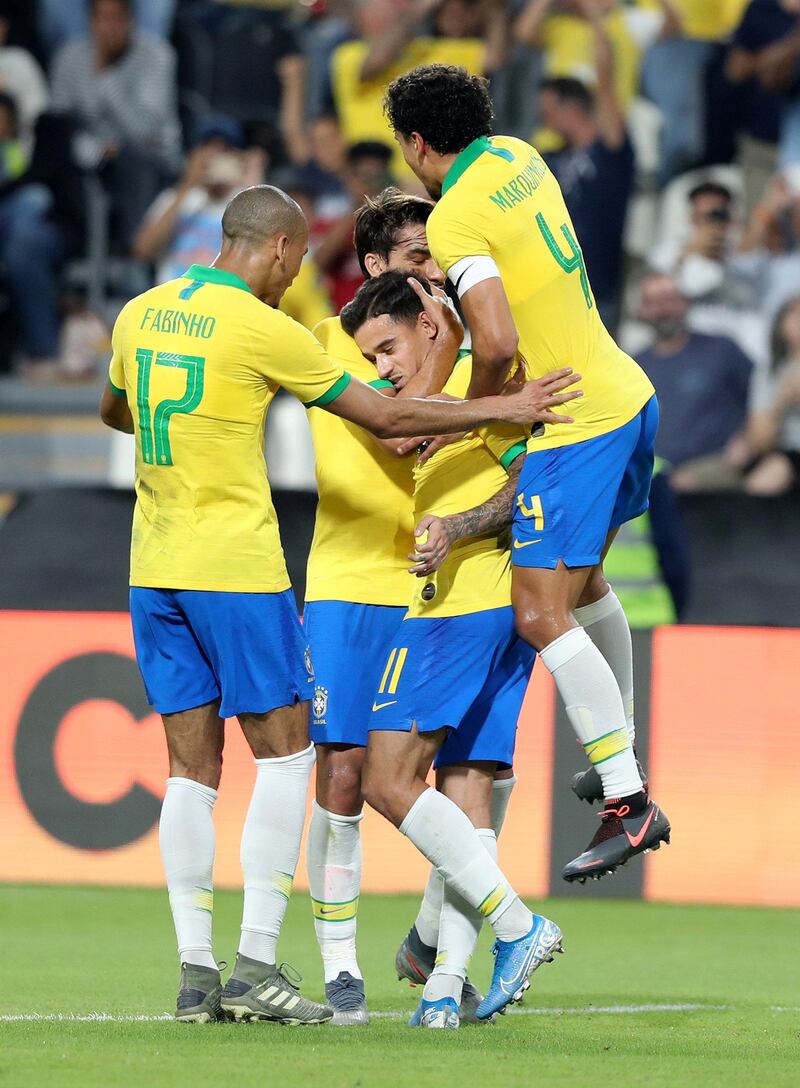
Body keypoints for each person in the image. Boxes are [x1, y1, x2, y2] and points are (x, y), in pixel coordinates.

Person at [98, 182, 583, 1023]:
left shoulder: (140, 311)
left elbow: (116, 410)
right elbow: (388, 418)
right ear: (282, 250)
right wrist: (509, 403)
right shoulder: (268, 328)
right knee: (290, 760)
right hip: (236, 565)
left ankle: (195, 974)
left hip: (152, 563)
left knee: (190, 769)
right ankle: (256, 966)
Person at [383, 62, 671, 883]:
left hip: (573, 420)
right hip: (626, 391)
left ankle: (628, 798)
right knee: (582, 589)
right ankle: (626, 745)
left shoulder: (455, 216)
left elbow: (500, 341)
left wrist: (471, 417)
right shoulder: (519, 158)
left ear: (416, 143)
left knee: (538, 614)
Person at [304, 187, 523, 1025]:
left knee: (464, 775)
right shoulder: (339, 340)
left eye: (437, 255)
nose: (431, 269)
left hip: (441, 584)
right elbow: (398, 428)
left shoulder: (468, 357)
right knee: (350, 773)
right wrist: (466, 366)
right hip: (350, 581)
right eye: (414, 254)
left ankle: (438, 942)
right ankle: (339, 965)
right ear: (374, 266)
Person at [340, 272, 562, 1025]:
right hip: (498, 615)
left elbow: (535, 475)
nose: (382, 368)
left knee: (386, 778)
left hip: (456, 611)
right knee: (466, 797)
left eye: (388, 347)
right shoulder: (446, 408)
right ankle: (443, 991)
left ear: (431, 327)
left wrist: (461, 527)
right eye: (371, 359)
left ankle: (517, 924)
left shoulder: (483, 381)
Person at [51, 0, 181, 251]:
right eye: (102, 19)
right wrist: (96, 151)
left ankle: (136, 258)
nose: (110, 28)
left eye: (117, 19)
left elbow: (145, 131)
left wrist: (105, 76)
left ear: (130, 21)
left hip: (153, 161)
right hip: (88, 161)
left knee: (132, 158)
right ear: (90, 22)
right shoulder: (69, 57)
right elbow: (57, 127)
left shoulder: (156, 55)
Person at [535, 7, 634, 330]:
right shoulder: (546, 156)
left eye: (548, 111)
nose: (543, 120)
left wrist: (595, 21)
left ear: (572, 107)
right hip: (551, 287)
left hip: (598, 284)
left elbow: (605, 80)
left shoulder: (611, 150)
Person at [635, 271, 753, 489]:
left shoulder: (721, 350)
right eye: (653, 303)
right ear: (642, 311)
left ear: (685, 303)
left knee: (672, 488)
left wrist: (747, 440)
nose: (663, 310)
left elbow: (761, 394)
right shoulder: (633, 366)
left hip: (715, 467)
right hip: (653, 471)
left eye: (670, 300)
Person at [133, 115, 265, 284]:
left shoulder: (244, 201)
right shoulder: (176, 197)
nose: (215, 154)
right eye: (208, 146)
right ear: (194, 154)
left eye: (225, 148)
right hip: (175, 301)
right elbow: (143, 250)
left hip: (220, 302)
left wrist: (252, 185)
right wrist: (188, 184)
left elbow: (260, 259)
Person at [742, 293, 800, 493]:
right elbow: (759, 441)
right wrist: (781, 401)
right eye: (792, 312)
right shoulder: (769, 372)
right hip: (787, 454)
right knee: (764, 481)